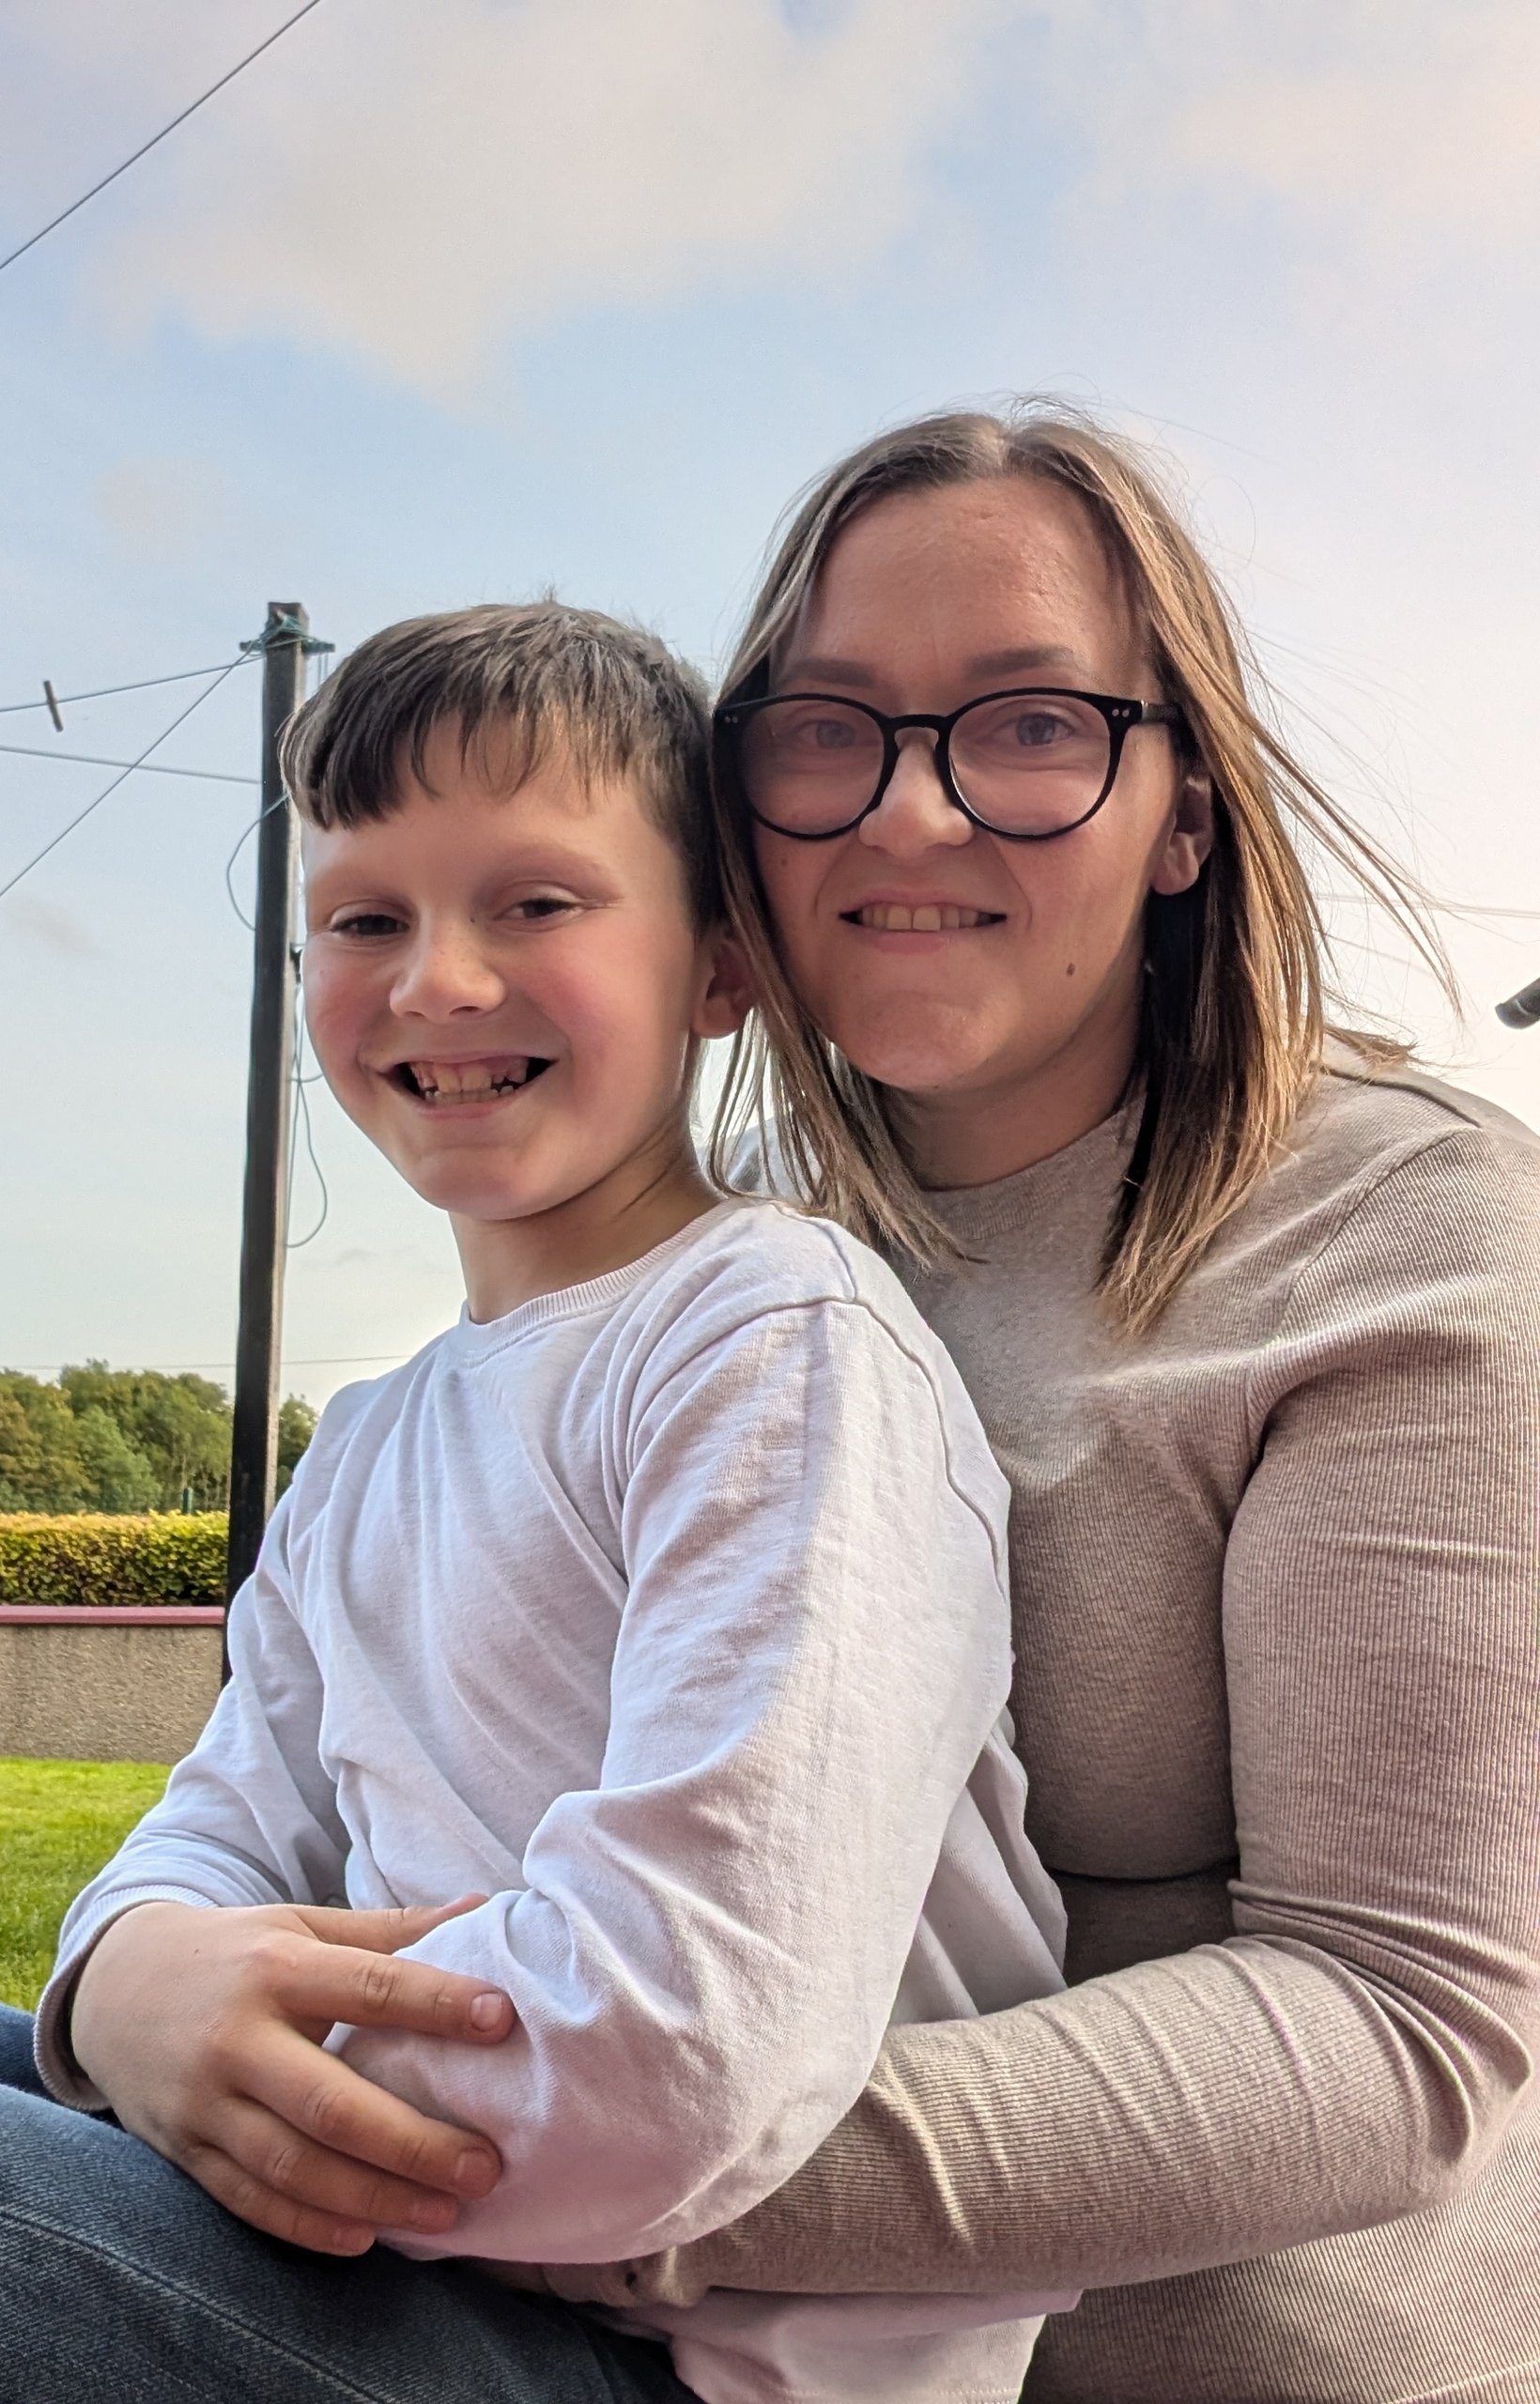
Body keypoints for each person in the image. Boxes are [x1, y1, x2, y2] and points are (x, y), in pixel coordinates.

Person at [0, 602, 1070, 2404]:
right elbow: (223, 1824)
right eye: (367, 919)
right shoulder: (368, 1441)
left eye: (536, 904)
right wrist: (123, 1985)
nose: (439, 977)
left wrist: (223, 2073)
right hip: (432, 2272)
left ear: (721, 965)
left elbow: (679, 2041)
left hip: (679, 2357)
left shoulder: (776, 1345)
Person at [513, 409, 1540, 2401]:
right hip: (673, 2322)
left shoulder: (1407, 1225)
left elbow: (1398, 2018)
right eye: (823, 728)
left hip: (1198, 2370)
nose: (909, 815)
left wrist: (591, 2178)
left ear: (1184, 811)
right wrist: (148, 1975)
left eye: (1030, 722)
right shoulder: (743, 1288)